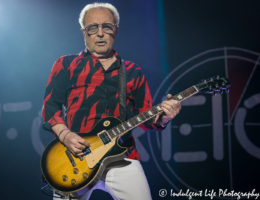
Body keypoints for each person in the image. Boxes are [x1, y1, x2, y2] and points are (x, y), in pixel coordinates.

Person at [42, 2, 181, 200]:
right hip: (75, 158)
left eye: (106, 27)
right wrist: (65, 136)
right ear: (84, 32)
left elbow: (147, 117)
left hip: (122, 157)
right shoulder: (66, 65)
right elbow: (50, 108)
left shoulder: (133, 71)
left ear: (115, 31)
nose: (100, 33)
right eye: (93, 28)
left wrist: (164, 118)